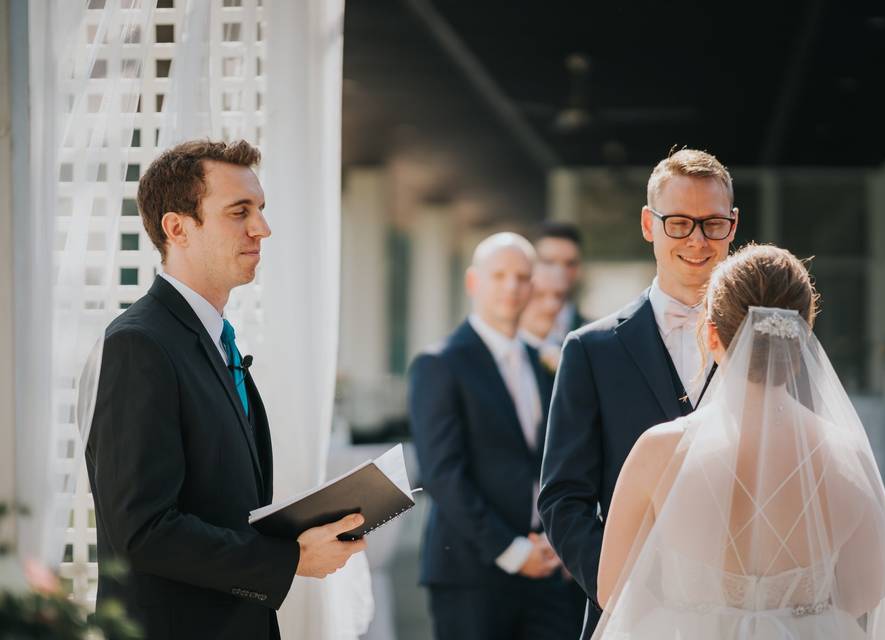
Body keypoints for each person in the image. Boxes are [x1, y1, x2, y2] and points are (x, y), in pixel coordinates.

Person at [84, 140, 366, 639]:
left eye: (259, 209)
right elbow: (143, 531)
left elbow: (219, 501)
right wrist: (288, 559)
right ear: (177, 228)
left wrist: (298, 530)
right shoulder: (138, 344)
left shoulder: (214, 339)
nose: (262, 228)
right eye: (240, 212)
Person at [594, 244, 885, 639]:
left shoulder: (658, 451)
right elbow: (864, 593)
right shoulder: (847, 456)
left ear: (711, 335)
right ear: (802, 337)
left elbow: (612, 589)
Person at [538, 148, 739, 638]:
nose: (697, 240)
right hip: (630, 616)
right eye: (679, 223)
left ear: (733, 226)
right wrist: (620, 589)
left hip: (741, 613)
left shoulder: (769, 345)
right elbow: (563, 498)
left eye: (712, 223)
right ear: (649, 225)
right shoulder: (591, 349)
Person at [408, 232, 583, 640]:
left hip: (547, 568)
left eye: (523, 277)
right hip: (472, 573)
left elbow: (552, 462)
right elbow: (441, 474)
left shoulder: (541, 362)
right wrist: (513, 550)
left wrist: (560, 542)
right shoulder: (440, 364)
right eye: (499, 275)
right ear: (473, 282)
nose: (511, 287)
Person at [535, 222, 588, 345]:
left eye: (570, 264)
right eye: (549, 262)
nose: (559, 272)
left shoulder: (594, 332)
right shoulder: (510, 326)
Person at [519, 264, 570, 374]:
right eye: (539, 295)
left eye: (559, 295)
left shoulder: (570, 350)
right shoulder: (509, 353)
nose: (551, 305)